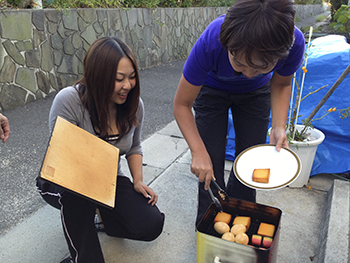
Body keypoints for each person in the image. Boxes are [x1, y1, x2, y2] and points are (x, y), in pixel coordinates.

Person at [173, 0, 305, 226]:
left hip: (255, 95)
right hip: (211, 91)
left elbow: (282, 84)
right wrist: (197, 151)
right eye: (239, 64)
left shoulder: (293, 42)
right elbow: (181, 105)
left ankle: (242, 223)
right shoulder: (212, 39)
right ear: (227, 45)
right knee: (209, 164)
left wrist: (279, 125)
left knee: (250, 160)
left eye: (262, 67)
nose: (248, 74)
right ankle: (209, 226)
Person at [36, 37, 165, 263]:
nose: (128, 85)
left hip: (108, 180)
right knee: (78, 199)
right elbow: (61, 155)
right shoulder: (69, 100)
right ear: (98, 76)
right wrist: (90, 188)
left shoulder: (135, 105)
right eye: (119, 79)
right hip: (66, 180)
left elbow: (134, 146)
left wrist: (137, 180)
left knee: (152, 223)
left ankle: (102, 219)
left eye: (132, 77)